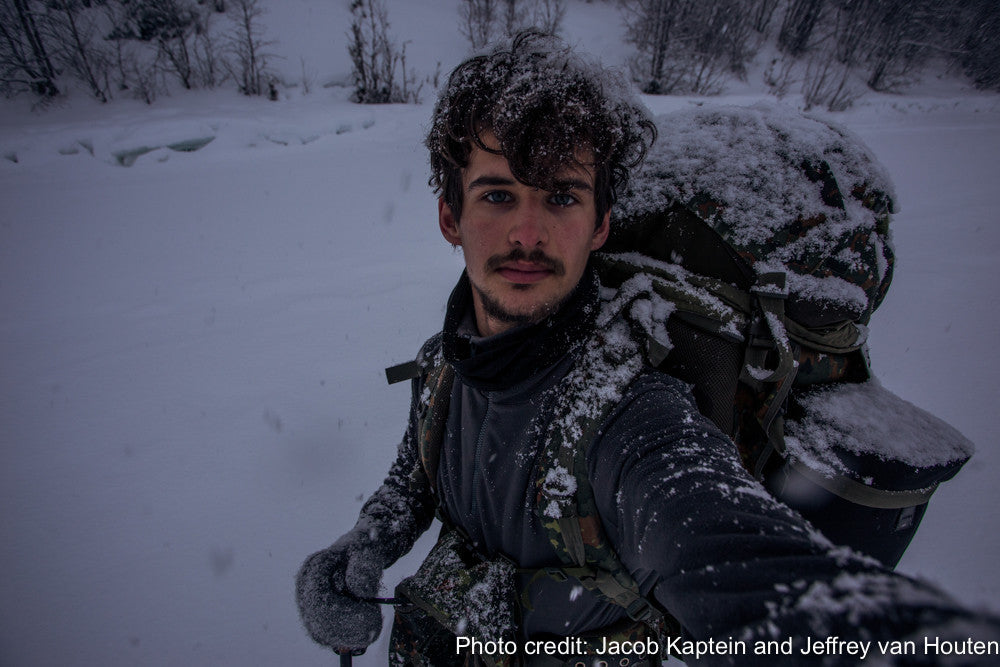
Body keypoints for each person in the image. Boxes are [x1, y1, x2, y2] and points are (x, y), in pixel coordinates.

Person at [296, 33, 997, 666]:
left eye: (562, 197)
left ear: (601, 223)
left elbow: (734, 557)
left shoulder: (634, 416)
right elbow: (409, 486)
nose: (528, 233)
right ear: (451, 216)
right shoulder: (443, 366)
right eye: (498, 195)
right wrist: (359, 546)